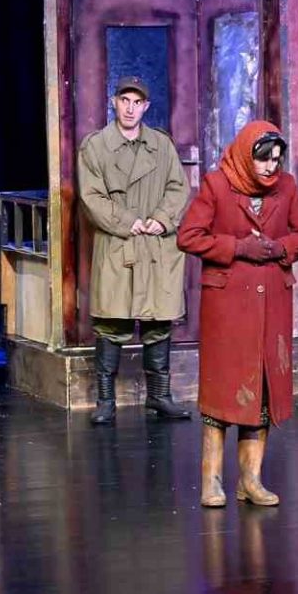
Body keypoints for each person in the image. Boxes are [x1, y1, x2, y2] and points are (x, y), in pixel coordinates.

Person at [177, 121, 298, 507]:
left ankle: (250, 480)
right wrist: (238, 247)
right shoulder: (217, 185)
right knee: (222, 389)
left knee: (262, 390)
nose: (272, 166)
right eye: (264, 159)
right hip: (228, 307)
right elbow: (188, 236)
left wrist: (280, 248)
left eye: (277, 159)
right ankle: (211, 481)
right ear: (246, 155)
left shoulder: (286, 187)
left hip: (272, 304)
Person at [76, 76, 192, 424]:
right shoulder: (96, 146)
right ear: (114, 102)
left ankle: (159, 396)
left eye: (137, 102)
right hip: (119, 241)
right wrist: (129, 221)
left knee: (159, 322)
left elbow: (178, 188)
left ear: (146, 107)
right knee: (111, 322)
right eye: (124, 100)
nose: (130, 108)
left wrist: (161, 219)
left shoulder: (161, 145)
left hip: (156, 245)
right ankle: (106, 402)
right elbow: (91, 197)